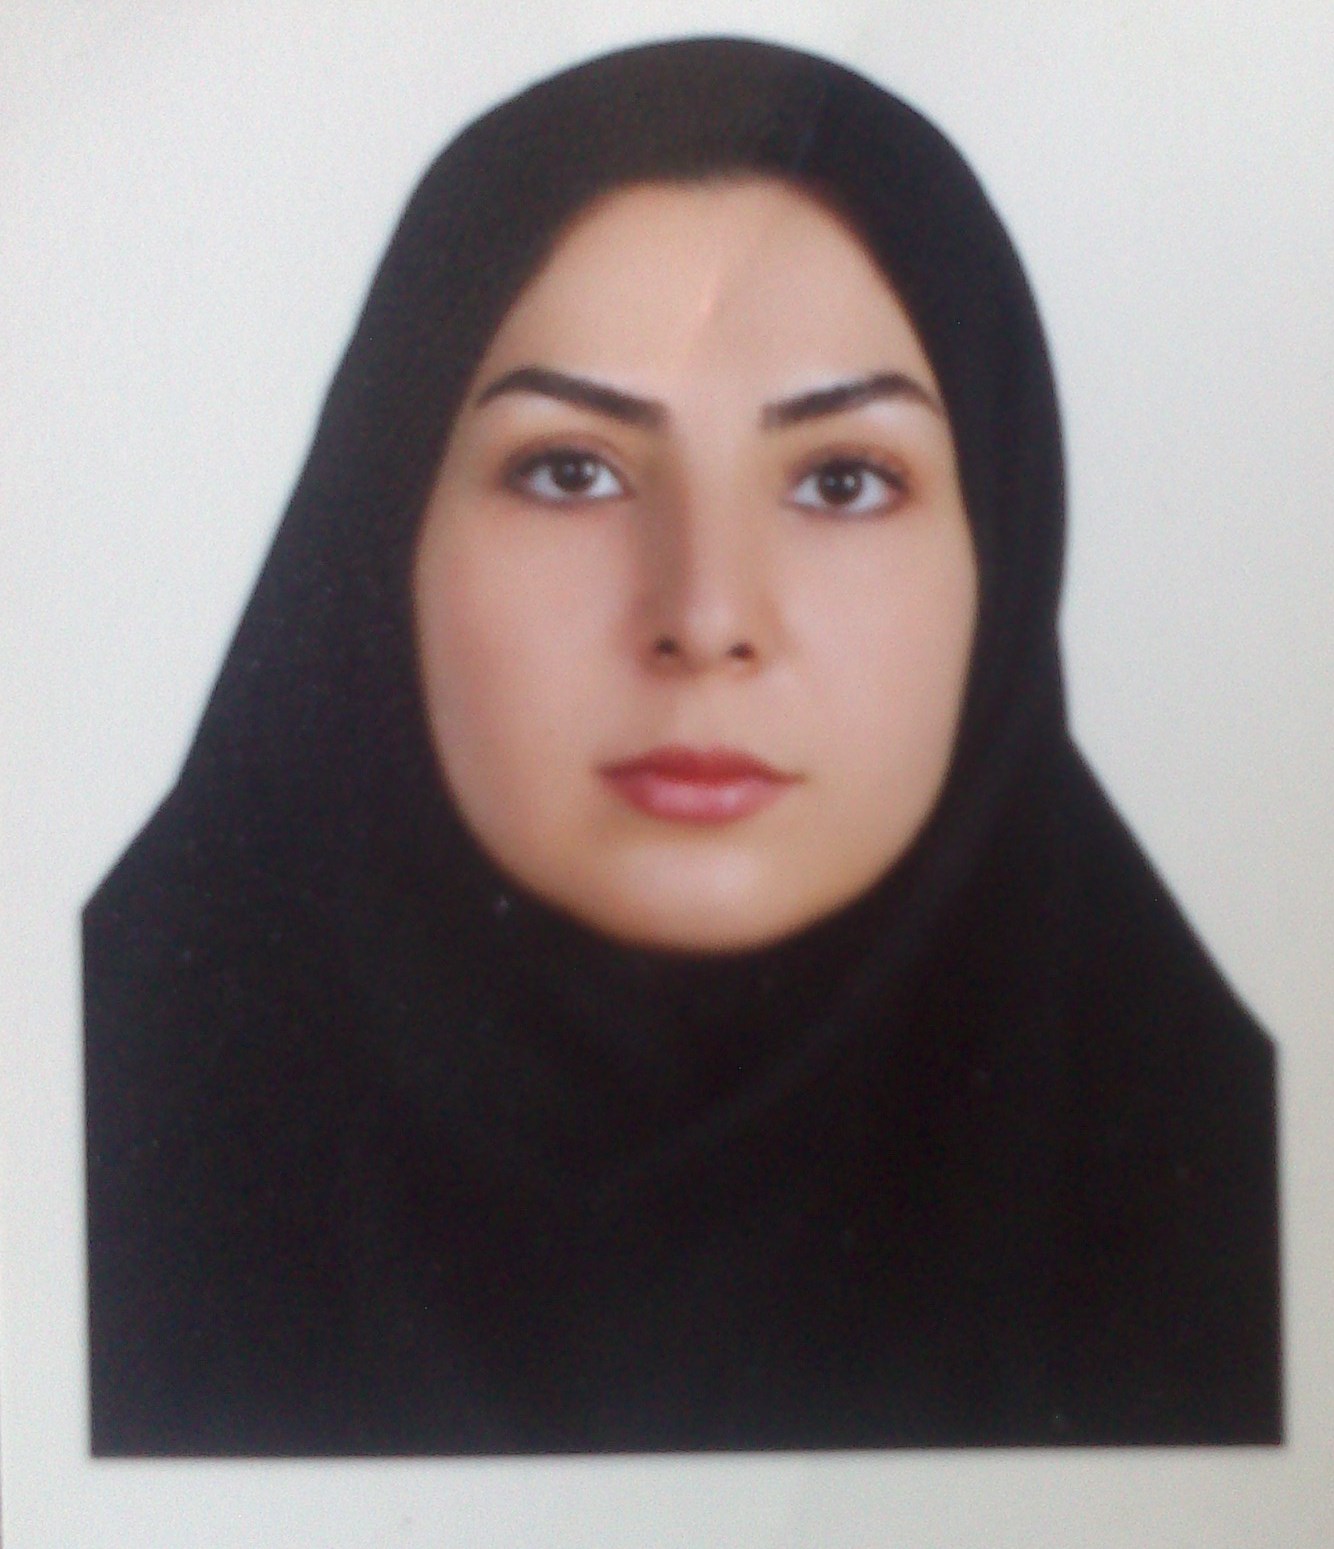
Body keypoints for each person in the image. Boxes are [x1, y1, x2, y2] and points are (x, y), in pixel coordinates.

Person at [84, 37, 1281, 1455]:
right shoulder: (74, 1138)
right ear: (382, 525)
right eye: (569, 470)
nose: (707, 618)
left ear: (1002, 553)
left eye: (843, 480)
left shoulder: (1248, 1213)